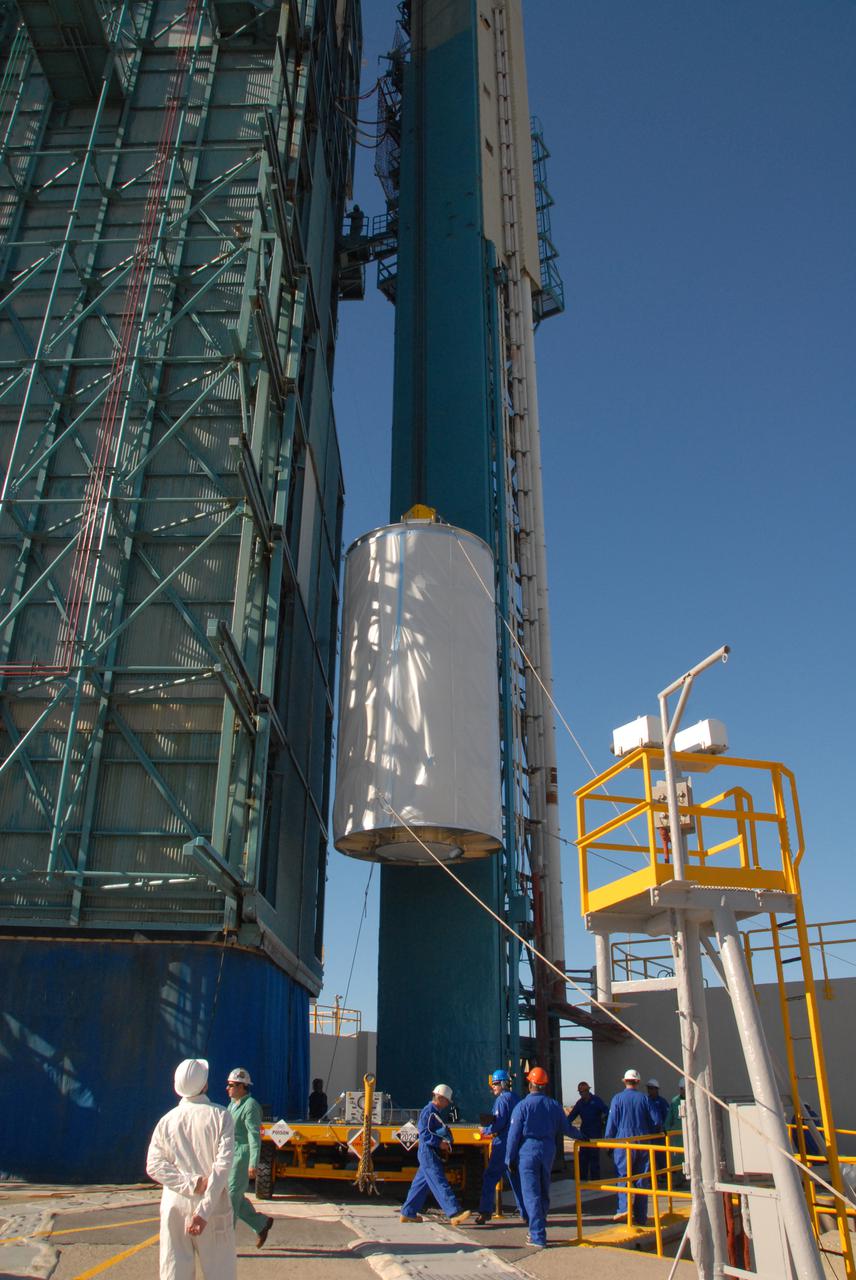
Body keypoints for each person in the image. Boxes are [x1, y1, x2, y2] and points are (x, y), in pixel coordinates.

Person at [146, 1058, 237, 1280]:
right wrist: (203, 1211)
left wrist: (190, 1184)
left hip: (175, 1204)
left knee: (174, 1271)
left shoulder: (166, 1121)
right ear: (204, 1085)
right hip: (212, 1207)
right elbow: (222, 1167)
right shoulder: (221, 1116)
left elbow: (154, 1165)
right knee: (220, 1273)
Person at [505, 1066, 572, 1250]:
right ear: (545, 1085)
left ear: (530, 1084)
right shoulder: (554, 1105)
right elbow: (567, 1128)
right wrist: (583, 1137)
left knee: (531, 1194)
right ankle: (538, 1228)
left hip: (528, 1151)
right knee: (543, 1192)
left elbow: (513, 1135)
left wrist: (509, 1159)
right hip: (548, 1150)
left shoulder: (523, 1106)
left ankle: (537, 1236)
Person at [400, 1084, 471, 1226]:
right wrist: (439, 1143)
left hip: (428, 1152)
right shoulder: (429, 1112)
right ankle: (454, 1213)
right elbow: (424, 1133)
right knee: (439, 1182)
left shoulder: (433, 1112)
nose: (447, 1104)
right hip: (428, 1152)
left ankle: (408, 1212)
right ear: (440, 1098)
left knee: (421, 1184)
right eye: (446, 1101)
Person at [225, 1068, 273, 1248]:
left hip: (242, 1156)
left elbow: (254, 1136)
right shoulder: (233, 1104)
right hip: (231, 1155)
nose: (227, 1088)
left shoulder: (250, 1106)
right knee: (234, 1196)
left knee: (231, 1198)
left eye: (231, 1085)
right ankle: (261, 1224)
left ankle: (225, 1244)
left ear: (242, 1086)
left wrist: (253, 1163)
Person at [604, 1068, 658, 1225]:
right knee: (642, 1179)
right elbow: (657, 1121)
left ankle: (624, 1209)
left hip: (623, 1142)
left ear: (624, 1081)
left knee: (624, 1176)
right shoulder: (645, 1099)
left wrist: (609, 1143)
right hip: (643, 1140)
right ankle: (641, 1217)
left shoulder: (617, 1099)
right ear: (638, 1082)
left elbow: (612, 1123)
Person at [474, 1069, 524, 1224]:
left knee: (490, 1177)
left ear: (503, 1083)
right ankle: (526, 1213)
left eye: (495, 1084)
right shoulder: (516, 1098)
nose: (493, 1087)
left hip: (502, 1144)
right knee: (516, 1179)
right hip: (516, 1143)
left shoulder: (502, 1100)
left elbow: (499, 1122)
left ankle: (485, 1211)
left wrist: (486, 1130)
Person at [567, 1081, 609, 1182]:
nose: (582, 1094)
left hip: (595, 1135)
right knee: (583, 1161)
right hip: (584, 1136)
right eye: (580, 1093)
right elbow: (571, 1116)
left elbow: (607, 1111)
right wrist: (565, 1126)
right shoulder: (580, 1103)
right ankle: (583, 1183)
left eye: (583, 1092)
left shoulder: (596, 1101)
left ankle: (596, 1183)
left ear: (587, 1091)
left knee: (594, 1161)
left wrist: (603, 1122)